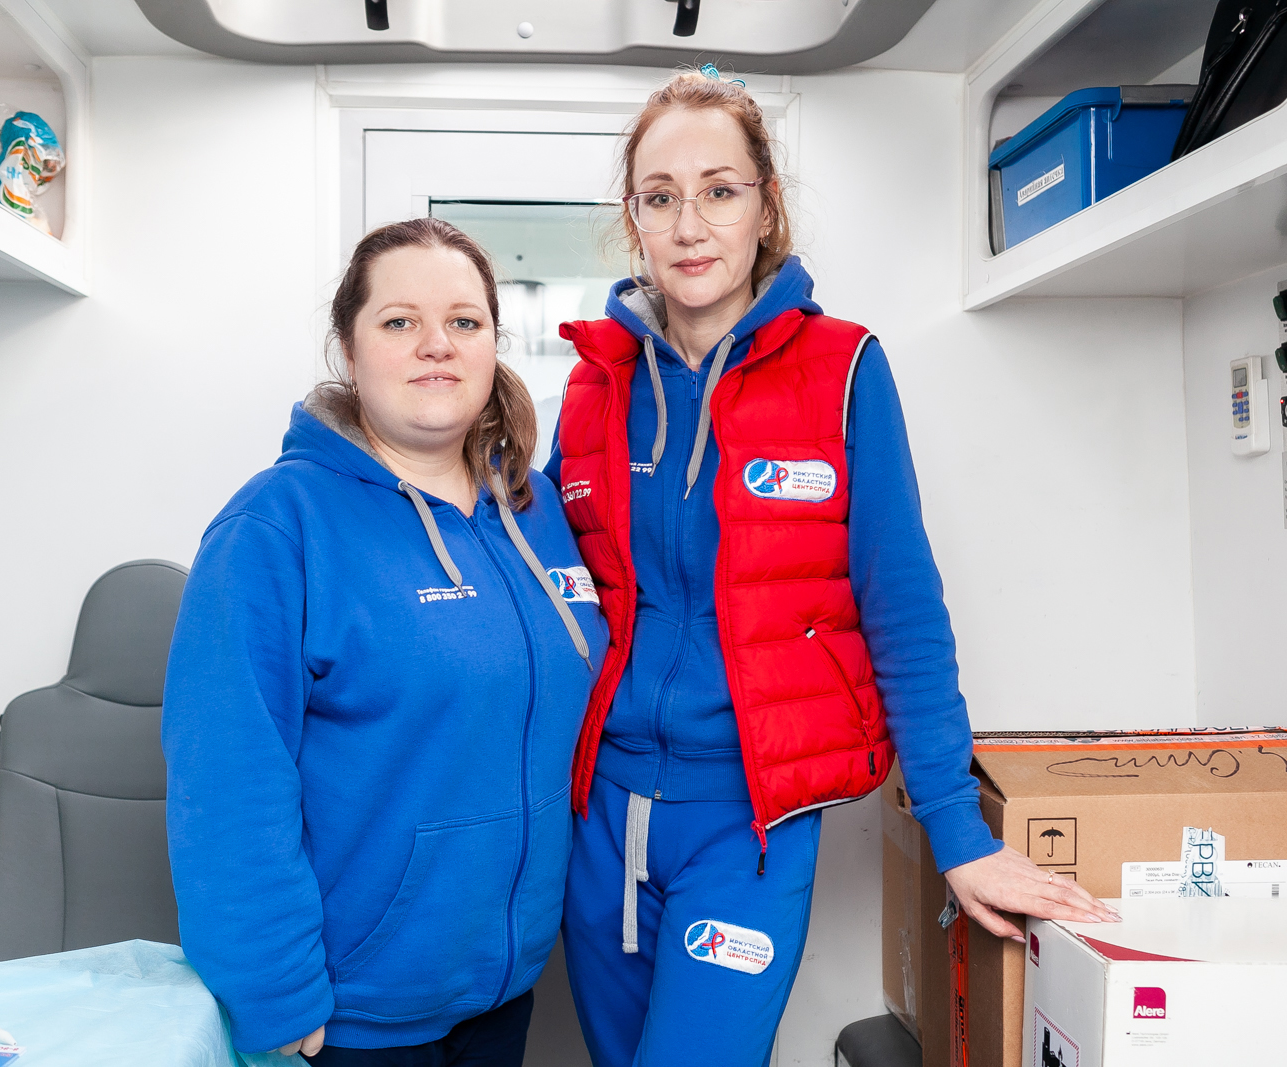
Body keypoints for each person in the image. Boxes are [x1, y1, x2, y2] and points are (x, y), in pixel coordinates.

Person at [544, 70, 1122, 1066]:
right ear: (631, 218)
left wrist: (957, 831)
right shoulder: (594, 386)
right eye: (660, 196)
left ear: (766, 205)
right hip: (597, 824)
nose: (690, 224)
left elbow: (902, 609)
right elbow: (544, 592)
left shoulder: (844, 368)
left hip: (749, 825)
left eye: (720, 190)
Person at [163, 218, 607, 1065]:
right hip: (348, 1015)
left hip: (503, 989)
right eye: (400, 321)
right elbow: (225, 776)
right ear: (349, 347)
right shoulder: (276, 526)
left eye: (464, 321)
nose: (437, 344)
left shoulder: (535, 511)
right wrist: (272, 990)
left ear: (493, 345)